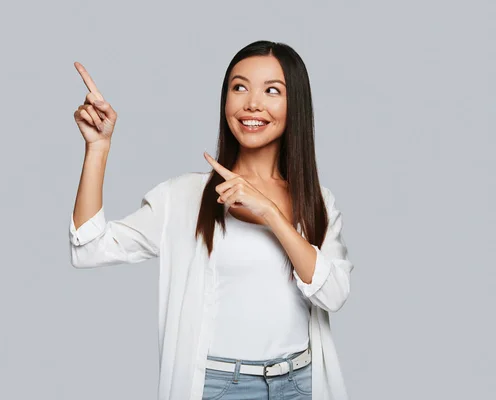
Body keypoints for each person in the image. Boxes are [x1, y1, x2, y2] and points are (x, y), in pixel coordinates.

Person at [69, 40, 354, 400]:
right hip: (221, 388)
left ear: (294, 104)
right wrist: (98, 149)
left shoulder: (318, 201)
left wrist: (270, 212)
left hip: (300, 383)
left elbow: (334, 294)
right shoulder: (184, 197)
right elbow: (89, 248)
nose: (253, 103)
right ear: (225, 102)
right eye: (239, 87)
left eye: (272, 90)